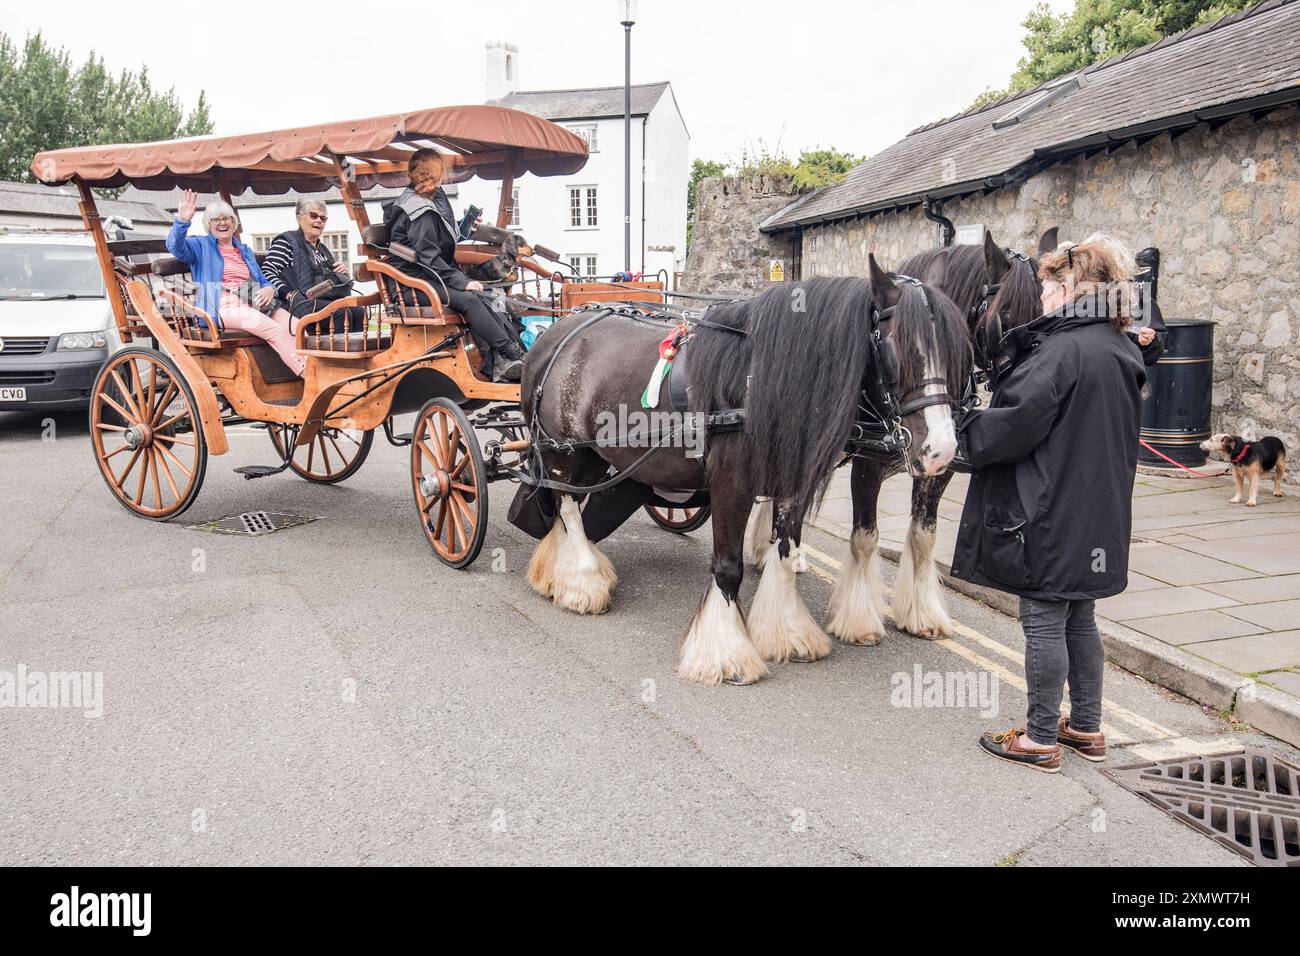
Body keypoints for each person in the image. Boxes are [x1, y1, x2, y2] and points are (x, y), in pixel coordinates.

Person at [953, 241, 1146, 774]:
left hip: (1050, 508)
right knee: (1079, 618)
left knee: (1041, 618)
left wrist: (962, 427)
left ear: (1070, 289)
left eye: (1046, 287)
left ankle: (1039, 739)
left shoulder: (1060, 352)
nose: (1040, 298)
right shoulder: (1120, 346)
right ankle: (1086, 726)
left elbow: (1013, 427)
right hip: (1098, 509)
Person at [383, 148, 524, 382]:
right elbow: (429, 257)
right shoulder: (418, 207)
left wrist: (465, 224)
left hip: (431, 277)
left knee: (489, 295)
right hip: (414, 284)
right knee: (470, 299)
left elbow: (440, 239)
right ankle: (508, 353)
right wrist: (464, 282)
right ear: (435, 173)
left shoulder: (432, 198)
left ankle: (508, 358)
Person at [166, 190, 305, 377]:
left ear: (234, 222)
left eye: (226, 218)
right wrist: (182, 221)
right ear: (209, 225)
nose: (222, 223)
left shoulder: (244, 250)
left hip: (254, 299)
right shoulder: (200, 246)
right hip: (222, 305)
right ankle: (310, 377)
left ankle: (315, 372)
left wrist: (269, 289)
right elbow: (175, 246)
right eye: (216, 219)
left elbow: (263, 280)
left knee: (299, 327)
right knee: (277, 332)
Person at [260, 198, 364, 334]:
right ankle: (336, 355)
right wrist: (288, 294)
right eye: (313, 216)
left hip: (326, 299)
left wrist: (342, 274)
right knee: (341, 313)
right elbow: (268, 271)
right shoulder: (286, 242)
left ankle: (359, 353)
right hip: (300, 303)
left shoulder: (323, 249)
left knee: (358, 311)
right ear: (299, 218)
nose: (319, 221)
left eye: (323, 218)